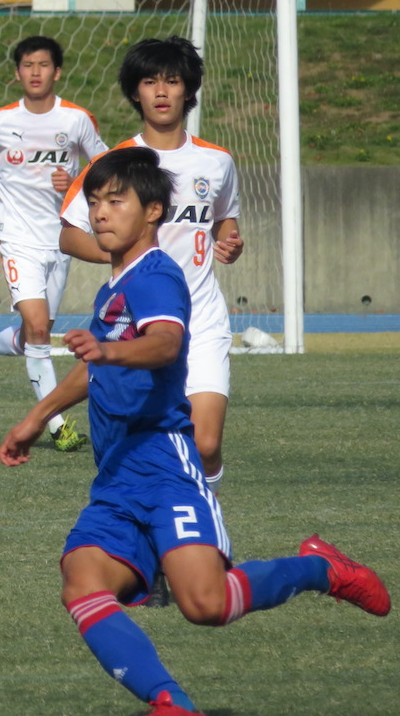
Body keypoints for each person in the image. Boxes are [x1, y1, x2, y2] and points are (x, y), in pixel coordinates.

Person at [0, 147, 390, 716]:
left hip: (164, 468)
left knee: (206, 606)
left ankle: (322, 569)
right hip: (115, 480)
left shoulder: (156, 275)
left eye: (116, 201)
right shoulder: (114, 286)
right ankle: (171, 703)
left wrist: (110, 347)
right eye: (94, 202)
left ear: (153, 210)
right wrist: (38, 416)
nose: (100, 213)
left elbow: (164, 343)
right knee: (81, 582)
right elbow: (98, 364)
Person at [60, 36, 242, 492]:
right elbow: (67, 235)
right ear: (134, 91)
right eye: (149, 81)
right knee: (137, 446)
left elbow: (225, 224)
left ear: (188, 90)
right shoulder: (112, 164)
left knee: (204, 442)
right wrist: (123, 253)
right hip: (135, 322)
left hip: (200, 317)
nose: (161, 92)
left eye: (172, 81)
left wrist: (231, 242)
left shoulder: (217, 162)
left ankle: (203, 523)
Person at [0, 35, 107, 452]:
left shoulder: (76, 120)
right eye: (27, 65)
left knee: (33, 334)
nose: (36, 72)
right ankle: (57, 423)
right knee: (39, 331)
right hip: (17, 237)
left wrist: (76, 181)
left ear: (57, 72)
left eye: (43, 65)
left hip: (62, 238)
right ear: (17, 72)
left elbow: (106, 165)